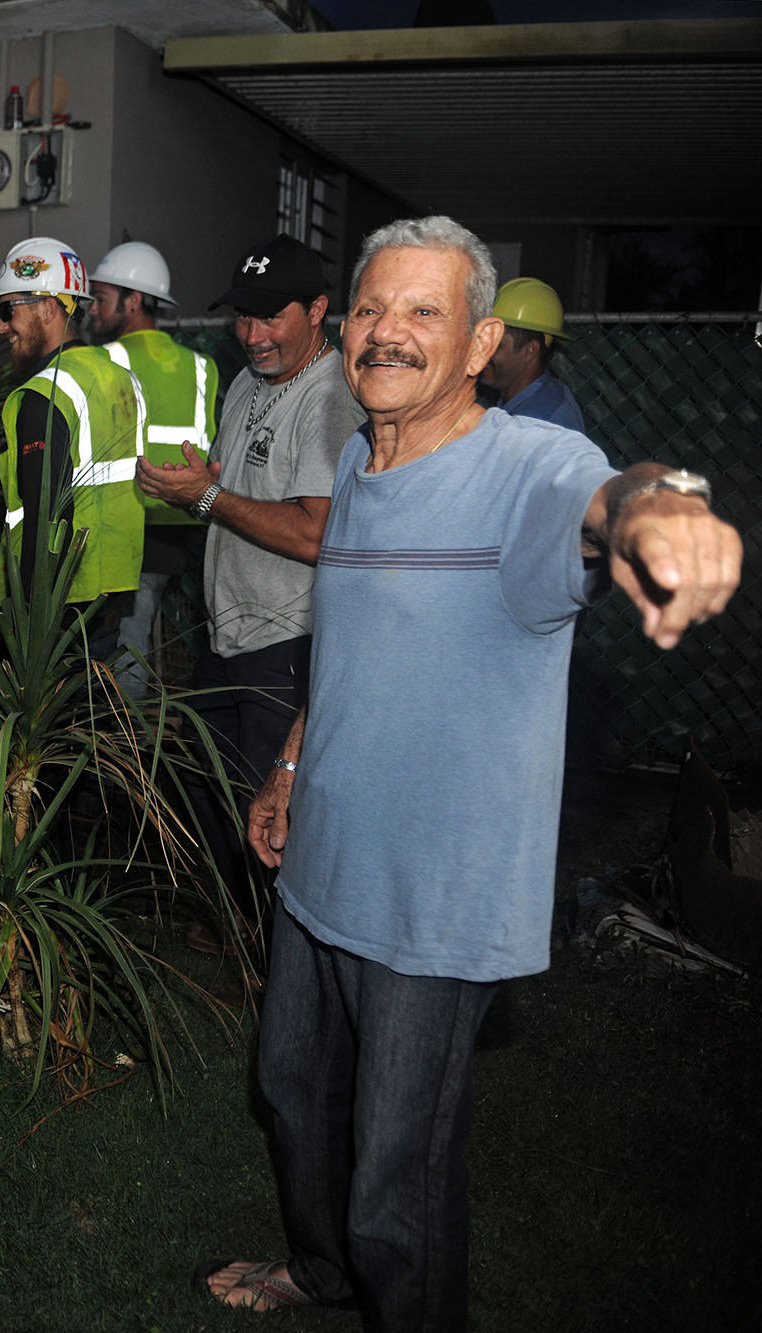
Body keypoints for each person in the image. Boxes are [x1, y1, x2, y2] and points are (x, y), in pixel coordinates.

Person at [196, 215, 741, 1325]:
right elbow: (344, 648)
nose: (385, 332)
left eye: (421, 312)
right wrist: (287, 768)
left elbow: (603, 496)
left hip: (428, 903)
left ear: (481, 341)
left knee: (398, 1177)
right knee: (291, 1089)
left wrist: (661, 504)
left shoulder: (523, 467)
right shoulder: (358, 455)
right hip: (319, 862)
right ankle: (319, 1269)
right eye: (369, 308)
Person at [136, 234, 365, 931]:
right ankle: (235, 942)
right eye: (242, 316)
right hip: (227, 637)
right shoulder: (246, 380)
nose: (251, 334)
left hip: (285, 646)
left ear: (320, 309)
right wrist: (199, 477)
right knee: (214, 799)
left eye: (270, 317)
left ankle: (282, 964)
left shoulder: (333, 396)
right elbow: (241, 486)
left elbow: (317, 534)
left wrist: (207, 498)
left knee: (274, 819)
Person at [0, 236, 143, 628]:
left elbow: (46, 517)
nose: (1, 327)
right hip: (104, 597)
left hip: (45, 611)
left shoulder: (43, 394)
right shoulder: (118, 376)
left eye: (7, 309)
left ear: (49, 308)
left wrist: (30, 620)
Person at [84, 240, 219, 697]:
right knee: (135, 637)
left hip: (122, 530)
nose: (92, 310)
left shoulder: (105, 361)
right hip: (174, 529)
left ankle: (120, 755)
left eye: (101, 299)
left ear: (134, 300)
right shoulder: (202, 368)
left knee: (120, 648)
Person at [477, 275, 586, 430]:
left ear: (530, 350)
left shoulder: (534, 423)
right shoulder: (542, 395)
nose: (482, 351)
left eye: (496, 344)